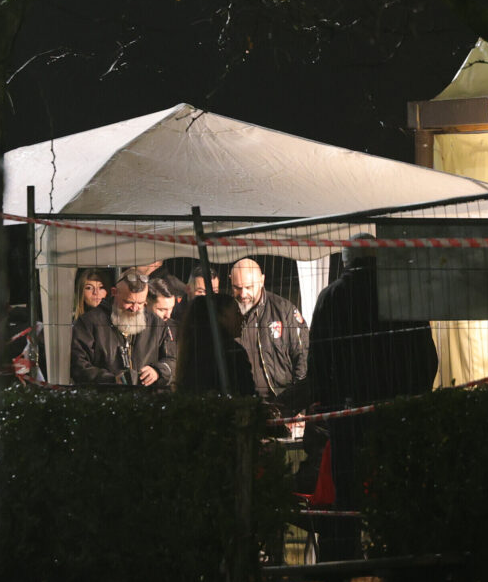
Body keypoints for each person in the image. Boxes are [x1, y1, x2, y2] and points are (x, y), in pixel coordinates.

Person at [304, 234, 438, 560]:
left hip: (347, 413)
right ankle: (398, 561)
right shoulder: (403, 295)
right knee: (396, 488)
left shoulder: (331, 297)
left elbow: (318, 361)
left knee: (346, 495)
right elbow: (426, 356)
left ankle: (340, 567)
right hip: (396, 409)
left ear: (346, 260)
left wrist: (328, 403)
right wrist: (414, 396)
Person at [70, 270, 175, 386]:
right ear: (114, 292)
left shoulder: (156, 324)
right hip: (104, 393)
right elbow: (78, 365)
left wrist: (158, 371)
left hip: (146, 393)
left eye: (141, 303)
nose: (134, 308)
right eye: (129, 302)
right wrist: (112, 380)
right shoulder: (89, 322)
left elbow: (172, 360)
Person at [230, 257, 308, 400]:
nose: (243, 294)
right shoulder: (227, 314)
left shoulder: (284, 310)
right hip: (243, 404)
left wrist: (294, 403)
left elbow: (303, 358)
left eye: (248, 287)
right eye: (237, 288)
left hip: (282, 401)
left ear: (262, 281)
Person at [174, 294, 255, 396]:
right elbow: (246, 392)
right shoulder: (232, 351)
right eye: (237, 313)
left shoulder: (193, 348)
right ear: (221, 317)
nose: (242, 318)